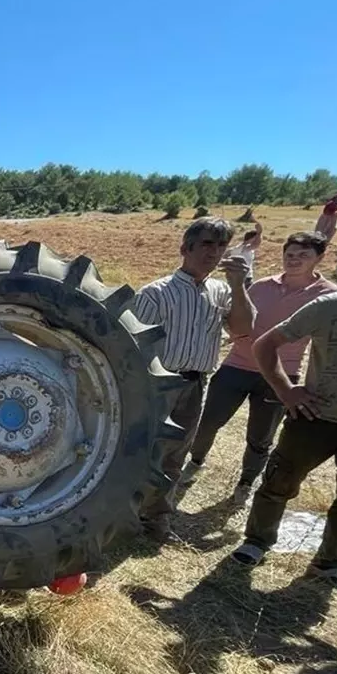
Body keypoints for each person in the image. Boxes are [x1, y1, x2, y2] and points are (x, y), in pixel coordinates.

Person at [232, 232, 337, 600]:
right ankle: (257, 541)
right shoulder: (332, 305)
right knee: (278, 483)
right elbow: (265, 344)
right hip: (316, 417)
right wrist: (287, 391)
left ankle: (332, 563)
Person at [182, 231, 337, 505]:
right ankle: (195, 461)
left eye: (303, 255)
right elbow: (238, 317)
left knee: (260, 436)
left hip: (279, 376)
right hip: (236, 366)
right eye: (290, 254)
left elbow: (330, 345)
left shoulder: (331, 297)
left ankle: (245, 482)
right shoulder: (262, 286)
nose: (294, 260)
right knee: (208, 422)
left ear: (320, 258)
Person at [131, 217, 256, 540]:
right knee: (140, 450)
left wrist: (240, 285)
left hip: (195, 383)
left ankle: (155, 521)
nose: (213, 253)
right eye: (206, 244)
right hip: (156, 383)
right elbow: (131, 344)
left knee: (175, 455)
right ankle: (124, 515)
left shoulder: (221, 292)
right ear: (185, 248)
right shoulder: (157, 293)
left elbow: (242, 329)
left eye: (220, 246)